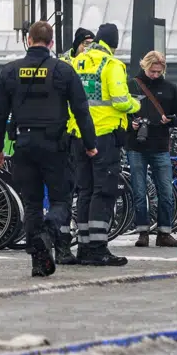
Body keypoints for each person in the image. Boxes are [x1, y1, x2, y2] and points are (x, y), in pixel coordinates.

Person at [0, 21, 99, 277]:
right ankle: (49, 232)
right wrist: (90, 144)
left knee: (33, 205)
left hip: (23, 145)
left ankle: (39, 263)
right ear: (51, 43)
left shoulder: (10, 71)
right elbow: (81, 109)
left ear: (28, 40)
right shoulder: (63, 70)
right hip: (55, 146)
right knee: (61, 199)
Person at [67, 22, 140, 266]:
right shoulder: (111, 65)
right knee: (105, 190)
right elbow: (120, 101)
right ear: (114, 45)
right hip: (105, 137)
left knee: (85, 190)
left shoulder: (77, 62)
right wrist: (136, 105)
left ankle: (85, 247)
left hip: (79, 136)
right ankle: (98, 247)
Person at [126, 51, 177, 248]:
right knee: (139, 190)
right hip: (136, 146)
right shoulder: (131, 85)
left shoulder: (170, 88)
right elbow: (120, 112)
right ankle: (142, 232)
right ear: (145, 66)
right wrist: (131, 124)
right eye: (152, 71)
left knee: (166, 192)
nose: (155, 75)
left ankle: (164, 233)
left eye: (159, 72)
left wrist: (170, 120)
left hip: (160, 145)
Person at [52, 28, 95, 263]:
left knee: (81, 190)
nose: (88, 47)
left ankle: (77, 245)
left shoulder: (92, 64)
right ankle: (63, 246)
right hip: (64, 135)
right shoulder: (63, 64)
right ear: (77, 43)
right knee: (65, 194)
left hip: (79, 135)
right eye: (85, 43)